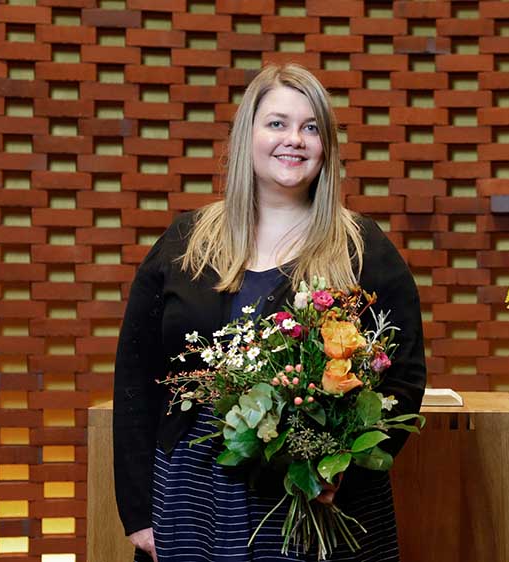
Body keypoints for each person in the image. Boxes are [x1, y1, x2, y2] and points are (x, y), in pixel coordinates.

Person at [113, 63, 426, 562]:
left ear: (326, 147)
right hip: (194, 495)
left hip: (317, 497)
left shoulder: (364, 250)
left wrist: (340, 467)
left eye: (310, 128)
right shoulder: (185, 243)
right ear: (247, 136)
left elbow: (404, 379)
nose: (294, 140)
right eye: (277, 123)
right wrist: (138, 512)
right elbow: (136, 378)